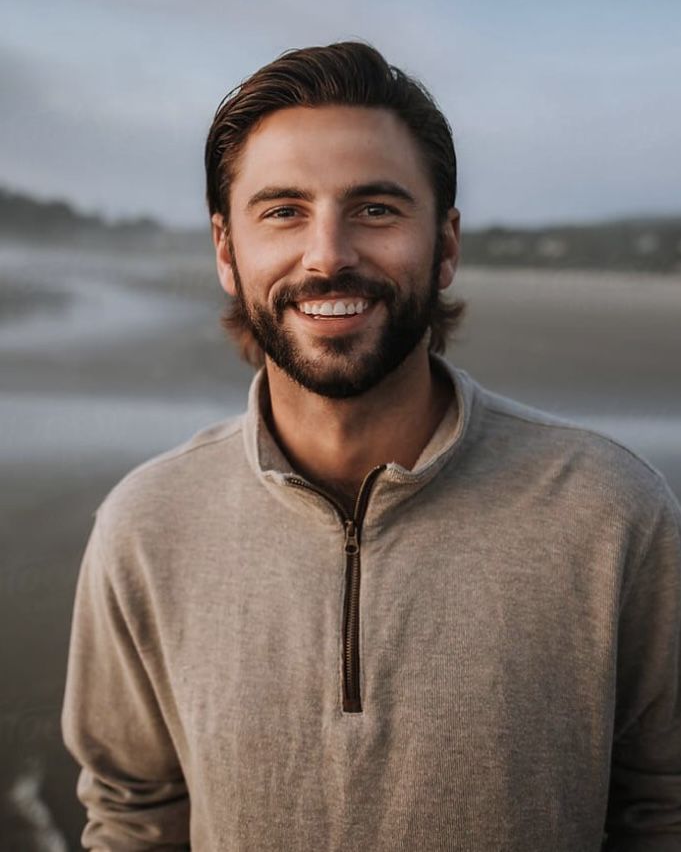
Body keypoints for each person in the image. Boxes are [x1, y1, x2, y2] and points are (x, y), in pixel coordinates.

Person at [62, 42, 681, 851]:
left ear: (447, 243)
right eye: (282, 210)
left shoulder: (610, 510)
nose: (328, 255)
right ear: (225, 249)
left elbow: (663, 808)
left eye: (376, 209)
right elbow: (131, 818)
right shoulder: (146, 526)